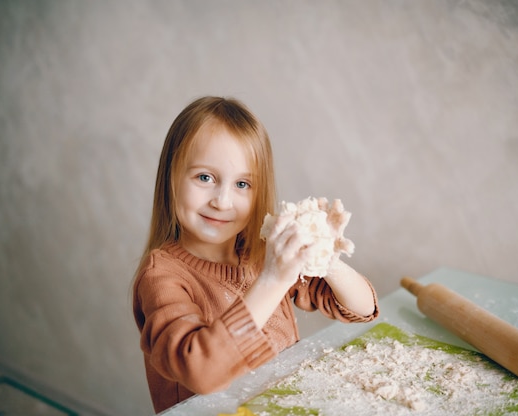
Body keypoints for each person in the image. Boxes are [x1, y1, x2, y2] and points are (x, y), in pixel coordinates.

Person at [132, 96, 378, 413]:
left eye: (242, 184)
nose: (222, 201)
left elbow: (362, 308)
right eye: (204, 177)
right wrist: (273, 279)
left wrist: (326, 258)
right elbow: (201, 372)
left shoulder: (261, 253)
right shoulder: (162, 277)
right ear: (171, 177)